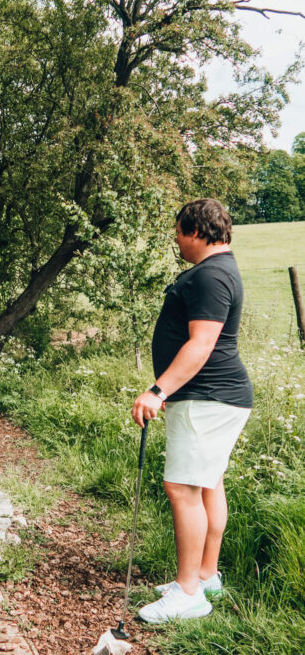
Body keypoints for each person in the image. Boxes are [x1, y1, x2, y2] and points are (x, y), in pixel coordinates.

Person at [131, 199, 252, 624]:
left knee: (182, 488)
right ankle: (204, 575)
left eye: (180, 233)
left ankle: (188, 595)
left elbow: (200, 345)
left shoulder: (210, 275)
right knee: (206, 484)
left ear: (197, 231)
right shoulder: (220, 270)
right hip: (217, 398)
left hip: (207, 397)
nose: (177, 242)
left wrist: (157, 390)